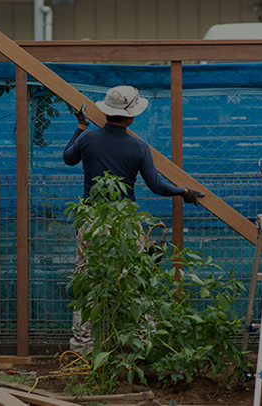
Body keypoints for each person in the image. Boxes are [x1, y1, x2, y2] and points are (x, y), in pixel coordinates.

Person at [63, 85, 203, 352]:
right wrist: (184, 192)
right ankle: (142, 344)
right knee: (134, 281)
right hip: (125, 223)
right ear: (130, 117)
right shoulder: (138, 147)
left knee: (88, 282)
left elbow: (68, 158)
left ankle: (83, 349)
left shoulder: (88, 139)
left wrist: (80, 126)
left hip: (91, 219)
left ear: (106, 111)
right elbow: (157, 186)